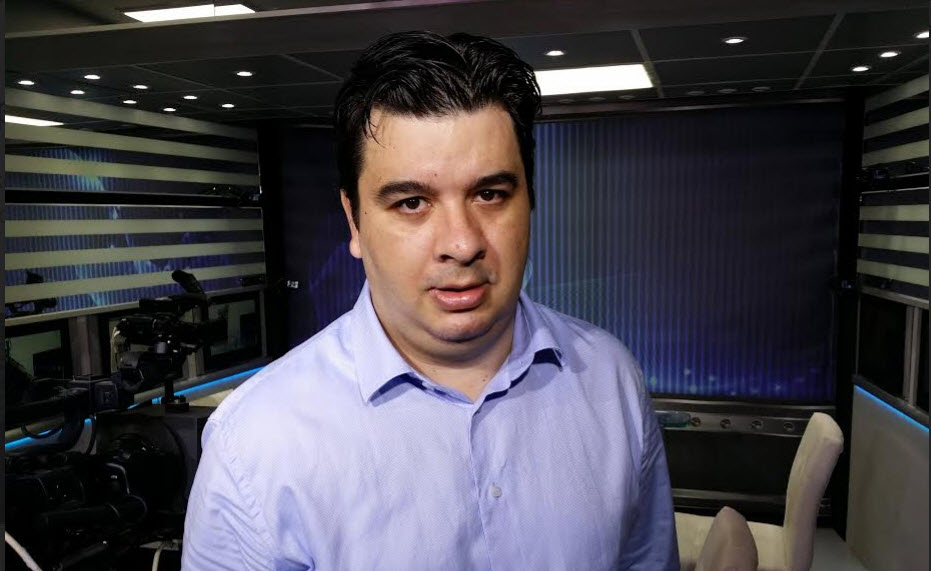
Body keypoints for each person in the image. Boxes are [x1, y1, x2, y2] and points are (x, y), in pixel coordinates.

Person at [182, 31, 678, 570]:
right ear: (354, 221)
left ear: (530, 201)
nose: (462, 244)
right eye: (412, 202)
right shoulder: (255, 444)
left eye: (489, 194)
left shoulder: (610, 378)